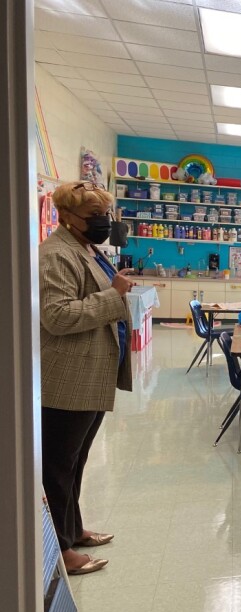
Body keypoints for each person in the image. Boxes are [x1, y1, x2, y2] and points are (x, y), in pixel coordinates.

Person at [40, 181, 135, 575]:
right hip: (67, 379)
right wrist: (114, 294)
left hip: (91, 375)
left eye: (106, 215)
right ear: (68, 216)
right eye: (95, 216)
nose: (103, 222)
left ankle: (73, 528)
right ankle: (59, 550)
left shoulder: (85, 248)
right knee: (57, 467)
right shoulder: (56, 254)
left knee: (76, 462)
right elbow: (57, 316)